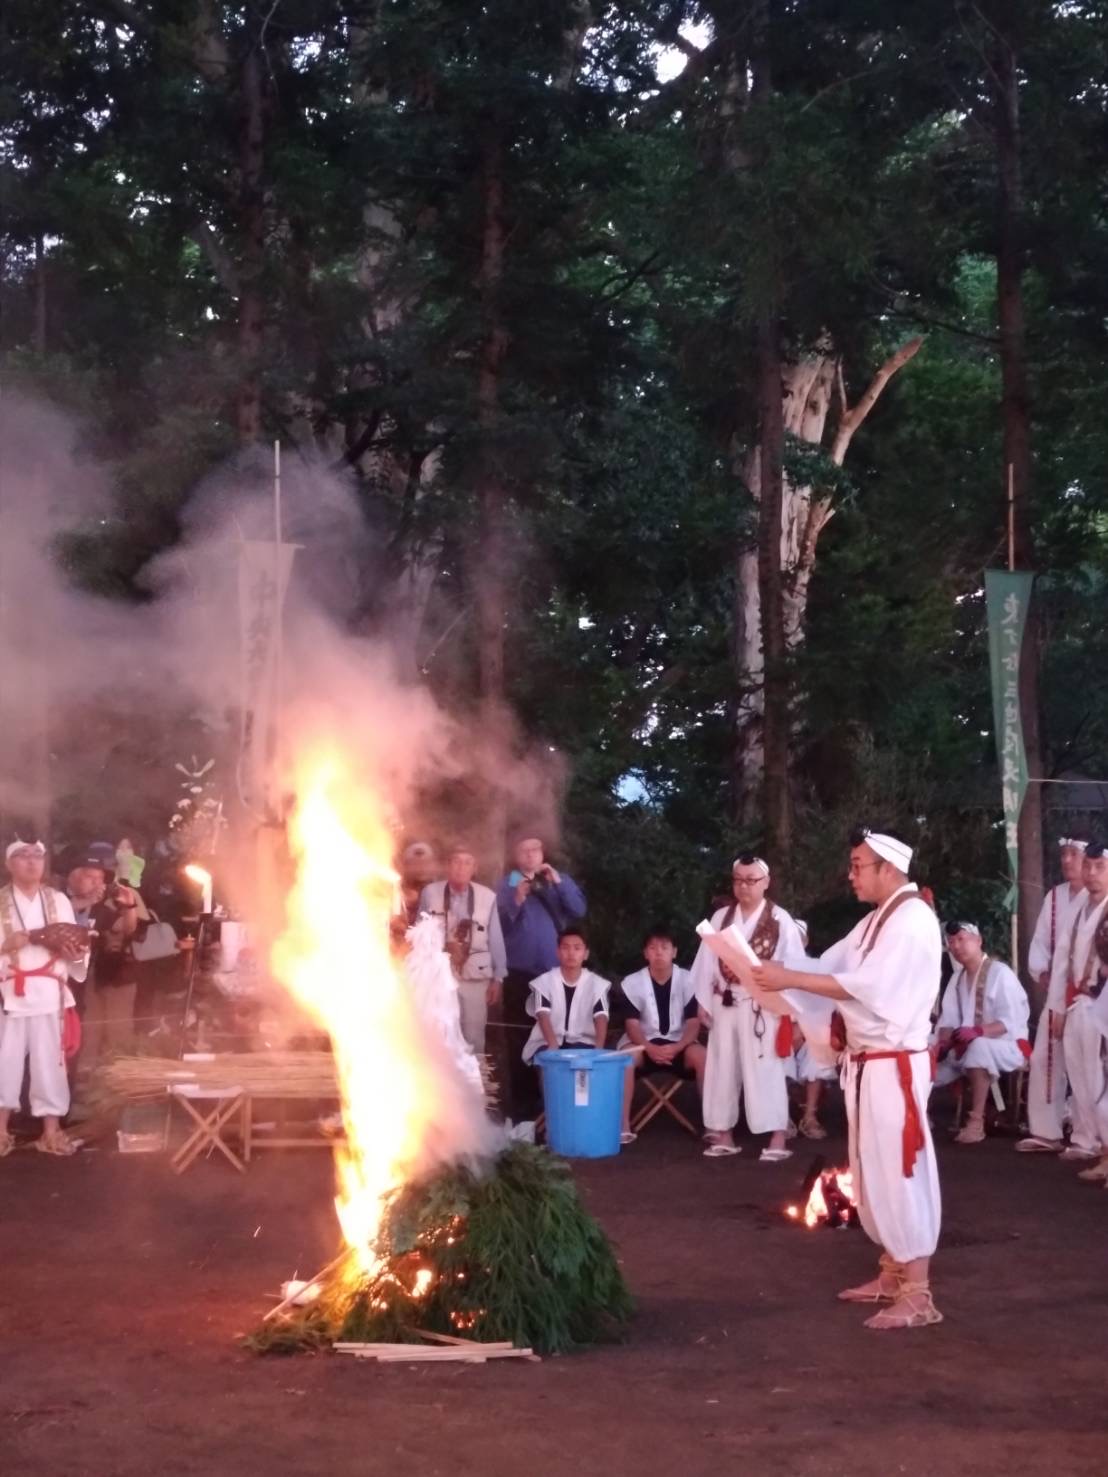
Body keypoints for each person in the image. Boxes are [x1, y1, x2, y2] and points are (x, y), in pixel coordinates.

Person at [748, 828, 943, 1332]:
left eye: (858, 866)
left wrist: (790, 979)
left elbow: (867, 987)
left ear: (888, 869)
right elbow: (827, 966)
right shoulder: (876, 920)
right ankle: (893, 1272)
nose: (851, 875)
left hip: (894, 1064)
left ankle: (918, 1294)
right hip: (867, 1064)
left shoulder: (913, 920)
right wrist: (767, 969)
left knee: (900, 1170)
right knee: (871, 1168)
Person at [691, 854, 804, 1162]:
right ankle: (722, 1132)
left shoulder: (780, 920)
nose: (744, 886)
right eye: (739, 880)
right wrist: (703, 1001)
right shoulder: (721, 917)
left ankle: (777, 1135)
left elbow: (794, 966)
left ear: (766, 882)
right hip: (725, 1000)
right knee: (721, 1066)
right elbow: (705, 962)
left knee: (766, 1068)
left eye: (751, 880)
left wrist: (792, 1014)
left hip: (762, 1005)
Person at [0, 840, 90, 1156]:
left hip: (50, 992)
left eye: (37, 856)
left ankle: (51, 1132)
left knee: (51, 1063)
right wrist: (6, 945)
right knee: (4, 1062)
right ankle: (1, 1131)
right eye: (22, 856)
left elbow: (77, 947)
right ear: (9, 864)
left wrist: (75, 954)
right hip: (9, 992)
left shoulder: (58, 900)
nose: (31, 862)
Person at [495, 837, 586, 1117]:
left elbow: (579, 911)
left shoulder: (556, 880)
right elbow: (497, 924)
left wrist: (558, 882)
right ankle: (524, 1109)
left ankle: (557, 1102)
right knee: (520, 1039)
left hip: (554, 973)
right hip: (518, 974)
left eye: (535, 849)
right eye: (523, 850)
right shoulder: (507, 882)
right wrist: (517, 898)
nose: (530, 855)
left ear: (542, 853)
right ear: (516, 855)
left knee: (559, 1034)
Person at [1018, 836, 1089, 1153]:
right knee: (1045, 1057)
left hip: (1091, 996)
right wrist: (1044, 973)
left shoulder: (1100, 897)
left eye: (1074, 854)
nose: (1067, 860)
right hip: (1058, 993)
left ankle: (1089, 1136)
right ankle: (1046, 1131)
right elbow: (1042, 944)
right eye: (1063, 854)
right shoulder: (1055, 897)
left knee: (1088, 1064)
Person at [934, 921, 1030, 1144]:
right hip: (965, 1046)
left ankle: (976, 1123)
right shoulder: (956, 978)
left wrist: (978, 1031)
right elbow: (948, 1020)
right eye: (951, 942)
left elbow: (1011, 1020)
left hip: (1008, 1045)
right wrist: (943, 1044)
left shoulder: (1000, 973)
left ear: (978, 941)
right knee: (924, 1046)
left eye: (961, 939)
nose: (956, 946)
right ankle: (917, 1118)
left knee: (978, 1046)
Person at [618, 924, 705, 1145]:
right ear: (645, 953)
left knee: (703, 1056)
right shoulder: (631, 983)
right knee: (624, 1059)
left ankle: (713, 1125)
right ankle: (622, 1125)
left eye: (664, 947)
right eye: (653, 948)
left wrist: (678, 1046)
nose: (658, 953)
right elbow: (632, 1024)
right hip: (643, 1044)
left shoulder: (689, 980)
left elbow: (693, 1022)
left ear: (674, 952)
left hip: (679, 1043)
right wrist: (649, 1047)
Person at [418, 846, 506, 1056]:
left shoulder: (487, 897)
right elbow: (418, 933)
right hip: (439, 974)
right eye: (456, 861)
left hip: (475, 974)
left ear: (474, 868)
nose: (461, 867)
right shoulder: (430, 892)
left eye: (467, 862)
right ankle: (440, 1076)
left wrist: (498, 977)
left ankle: (475, 1075)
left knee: (473, 1033)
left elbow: (496, 938)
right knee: (439, 1031)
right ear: (448, 866)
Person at [1058, 842, 1108, 1168]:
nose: (1091, 873)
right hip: (1077, 1003)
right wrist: (1057, 1008)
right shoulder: (1079, 907)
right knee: (1080, 1078)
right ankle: (1088, 1141)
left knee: (1100, 1081)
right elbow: (1063, 960)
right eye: (1087, 865)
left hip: (1102, 1005)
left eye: (1099, 867)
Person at [521, 927, 610, 1064]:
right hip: (546, 1041)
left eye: (577, 948)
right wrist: (552, 1046)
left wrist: (598, 1049)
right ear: (558, 952)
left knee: (582, 1065)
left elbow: (601, 1017)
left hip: (583, 1042)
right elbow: (542, 1015)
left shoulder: (597, 984)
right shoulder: (544, 982)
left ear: (586, 954)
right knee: (548, 1062)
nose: (571, 953)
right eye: (565, 948)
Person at [788, 920, 836, 1139]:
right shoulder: (773, 966)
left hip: (810, 1033)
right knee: (776, 1052)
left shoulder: (817, 968)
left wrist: (804, 1028)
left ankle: (809, 1116)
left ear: (805, 940)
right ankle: (781, 1117)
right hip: (780, 1033)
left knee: (815, 1053)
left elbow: (823, 1007)